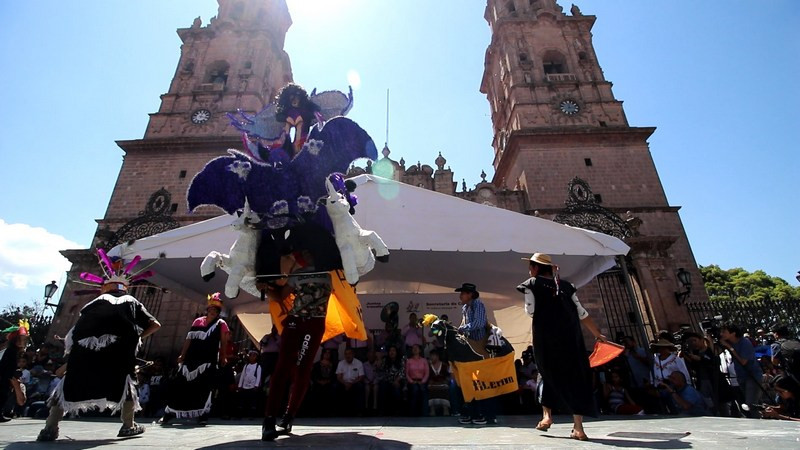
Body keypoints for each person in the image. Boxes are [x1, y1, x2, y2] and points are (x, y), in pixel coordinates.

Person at [37, 252, 162, 441]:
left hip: (85, 351)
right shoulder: (132, 301)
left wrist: (72, 357)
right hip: (119, 351)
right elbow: (155, 325)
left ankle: (50, 427)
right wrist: (137, 337)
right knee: (126, 384)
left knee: (68, 384)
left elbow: (74, 333)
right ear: (124, 289)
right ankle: (128, 426)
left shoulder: (92, 304)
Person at [517, 253, 605, 441]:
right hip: (571, 339)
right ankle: (578, 428)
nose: (529, 270)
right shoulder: (567, 287)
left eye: (530, 267)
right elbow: (582, 313)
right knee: (575, 377)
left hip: (546, 338)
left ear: (536, 268)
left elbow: (530, 311)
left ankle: (547, 417)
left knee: (545, 372)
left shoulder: (531, 284)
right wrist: (597, 334)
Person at [161, 293, 230, 425]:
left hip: (208, 361)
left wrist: (223, 356)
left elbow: (224, 342)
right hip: (191, 359)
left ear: (218, 312)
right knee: (181, 386)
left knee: (204, 388)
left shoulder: (221, 324)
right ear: (207, 310)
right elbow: (189, 339)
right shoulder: (197, 321)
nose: (213, 312)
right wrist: (182, 354)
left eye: (216, 310)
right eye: (211, 310)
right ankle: (169, 413)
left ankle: (202, 415)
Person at [454, 282, 496, 426]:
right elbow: (463, 324)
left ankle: (484, 414)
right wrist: (457, 330)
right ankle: (472, 413)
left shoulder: (478, 304)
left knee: (481, 381)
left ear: (470, 294)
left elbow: (479, 323)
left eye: (463, 293)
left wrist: (463, 328)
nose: (460, 295)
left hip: (480, 346)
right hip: (471, 347)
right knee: (470, 382)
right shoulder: (465, 307)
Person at [720, 323, 763, 417]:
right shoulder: (730, 342)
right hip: (741, 376)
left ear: (733, 333)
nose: (722, 334)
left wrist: (730, 348)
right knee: (749, 402)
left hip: (752, 375)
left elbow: (743, 361)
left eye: (724, 332)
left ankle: (757, 420)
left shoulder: (745, 343)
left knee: (751, 403)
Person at [0, 321, 29, 422]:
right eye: (21, 339)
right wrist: (12, 376)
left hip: (6, 376)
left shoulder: (14, 351)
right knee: (2, 394)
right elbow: (7, 366)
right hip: (4, 377)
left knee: (4, 394)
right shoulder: (11, 351)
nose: (24, 341)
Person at [336, 348, 365, 416]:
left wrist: (351, 383)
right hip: (343, 383)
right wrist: (345, 383)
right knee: (335, 386)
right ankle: (337, 411)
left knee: (360, 386)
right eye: (346, 354)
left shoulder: (359, 363)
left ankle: (359, 411)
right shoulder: (341, 363)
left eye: (349, 353)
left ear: (353, 354)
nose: (347, 356)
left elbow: (361, 377)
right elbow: (338, 377)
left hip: (354, 383)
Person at [237, 350, 263, 418]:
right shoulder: (246, 366)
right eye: (251, 355)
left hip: (252, 386)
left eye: (254, 356)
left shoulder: (258, 366)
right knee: (242, 401)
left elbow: (258, 376)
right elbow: (242, 375)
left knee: (252, 401)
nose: (252, 357)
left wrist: (256, 385)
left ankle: (251, 415)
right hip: (245, 386)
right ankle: (240, 414)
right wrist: (240, 385)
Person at [405, 344, 429, 416]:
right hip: (412, 381)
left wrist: (423, 381)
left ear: (420, 350)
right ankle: (413, 413)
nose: (415, 349)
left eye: (416, 348)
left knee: (423, 390)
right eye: (413, 348)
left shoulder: (424, 360)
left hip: (422, 380)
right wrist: (412, 381)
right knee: (415, 390)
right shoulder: (409, 361)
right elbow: (406, 373)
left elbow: (427, 372)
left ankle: (424, 412)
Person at [427, 349, 450, 416]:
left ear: (437, 356)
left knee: (445, 387)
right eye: (430, 356)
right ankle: (432, 409)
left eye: (432, 356)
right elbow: (428, 376)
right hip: (432, 383)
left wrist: (446, 381)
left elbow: (448, 376)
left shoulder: (444, 365)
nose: (431, 357)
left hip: (443, 382)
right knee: (431, 388)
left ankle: (445, 408)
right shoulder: (428, 366)